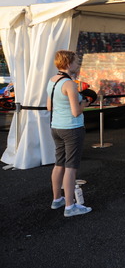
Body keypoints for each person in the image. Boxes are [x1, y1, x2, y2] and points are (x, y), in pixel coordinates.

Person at [46, 50, 92, 217]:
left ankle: (57, 199)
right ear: (68, 63)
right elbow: (76, 111)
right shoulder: (70, 84)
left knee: (59, 164)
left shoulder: (52, 81)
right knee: (71, 168)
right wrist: (86, 101)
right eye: (75, 61)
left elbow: (49, 107)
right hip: (72, 128)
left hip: (56, 127)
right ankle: (69, 207)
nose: (77, 64)